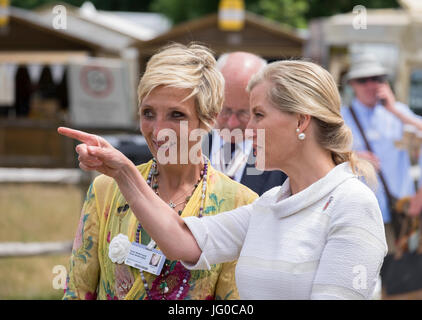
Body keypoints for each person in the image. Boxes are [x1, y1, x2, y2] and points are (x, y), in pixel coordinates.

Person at [59, 59, 387, 299]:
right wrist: (123, 172)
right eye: (148, 112)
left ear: (301, 121)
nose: (245, 129)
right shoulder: (271, 205)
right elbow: (181, 242)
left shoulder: (351, 203)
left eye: (257, 114)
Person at [60, 43, 258, 300]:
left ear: (208, 119)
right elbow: (77, 291)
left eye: (176, 115)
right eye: (148, 113)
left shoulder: (239, 202)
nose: (158, 130)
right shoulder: (106, 190)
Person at [341, 52, 422, 252]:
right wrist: (352, 156)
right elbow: (322, 155)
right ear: (352, 84)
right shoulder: (342, 117)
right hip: (359, 212)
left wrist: (394, 109)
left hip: (401, 210)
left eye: (376, 79)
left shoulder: (398, 114)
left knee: (401, 277)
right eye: (363, 80)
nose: (371, 85)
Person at [204, 52, 287, 195]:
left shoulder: (283, 160)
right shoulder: (186, 146)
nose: (232, 123)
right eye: (225, 110)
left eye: (244, 113)